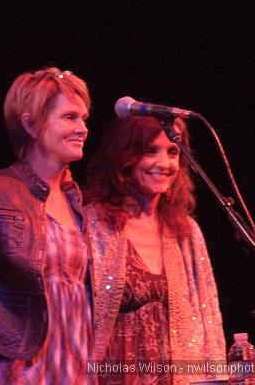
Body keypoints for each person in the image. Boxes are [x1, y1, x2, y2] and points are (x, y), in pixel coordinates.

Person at [0, 67, 95, 384]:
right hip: (15, 368)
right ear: (31, 124)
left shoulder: (78, 202)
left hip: (76, 365)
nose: (83, 128)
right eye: (70, 117)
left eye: (84, 118)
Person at [83, 115, 226, 384]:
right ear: (125, 158)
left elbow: (209, 319)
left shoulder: (186, 233)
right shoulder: (93, 224)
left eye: (173, 152)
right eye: (151, 151)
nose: (164, 163)